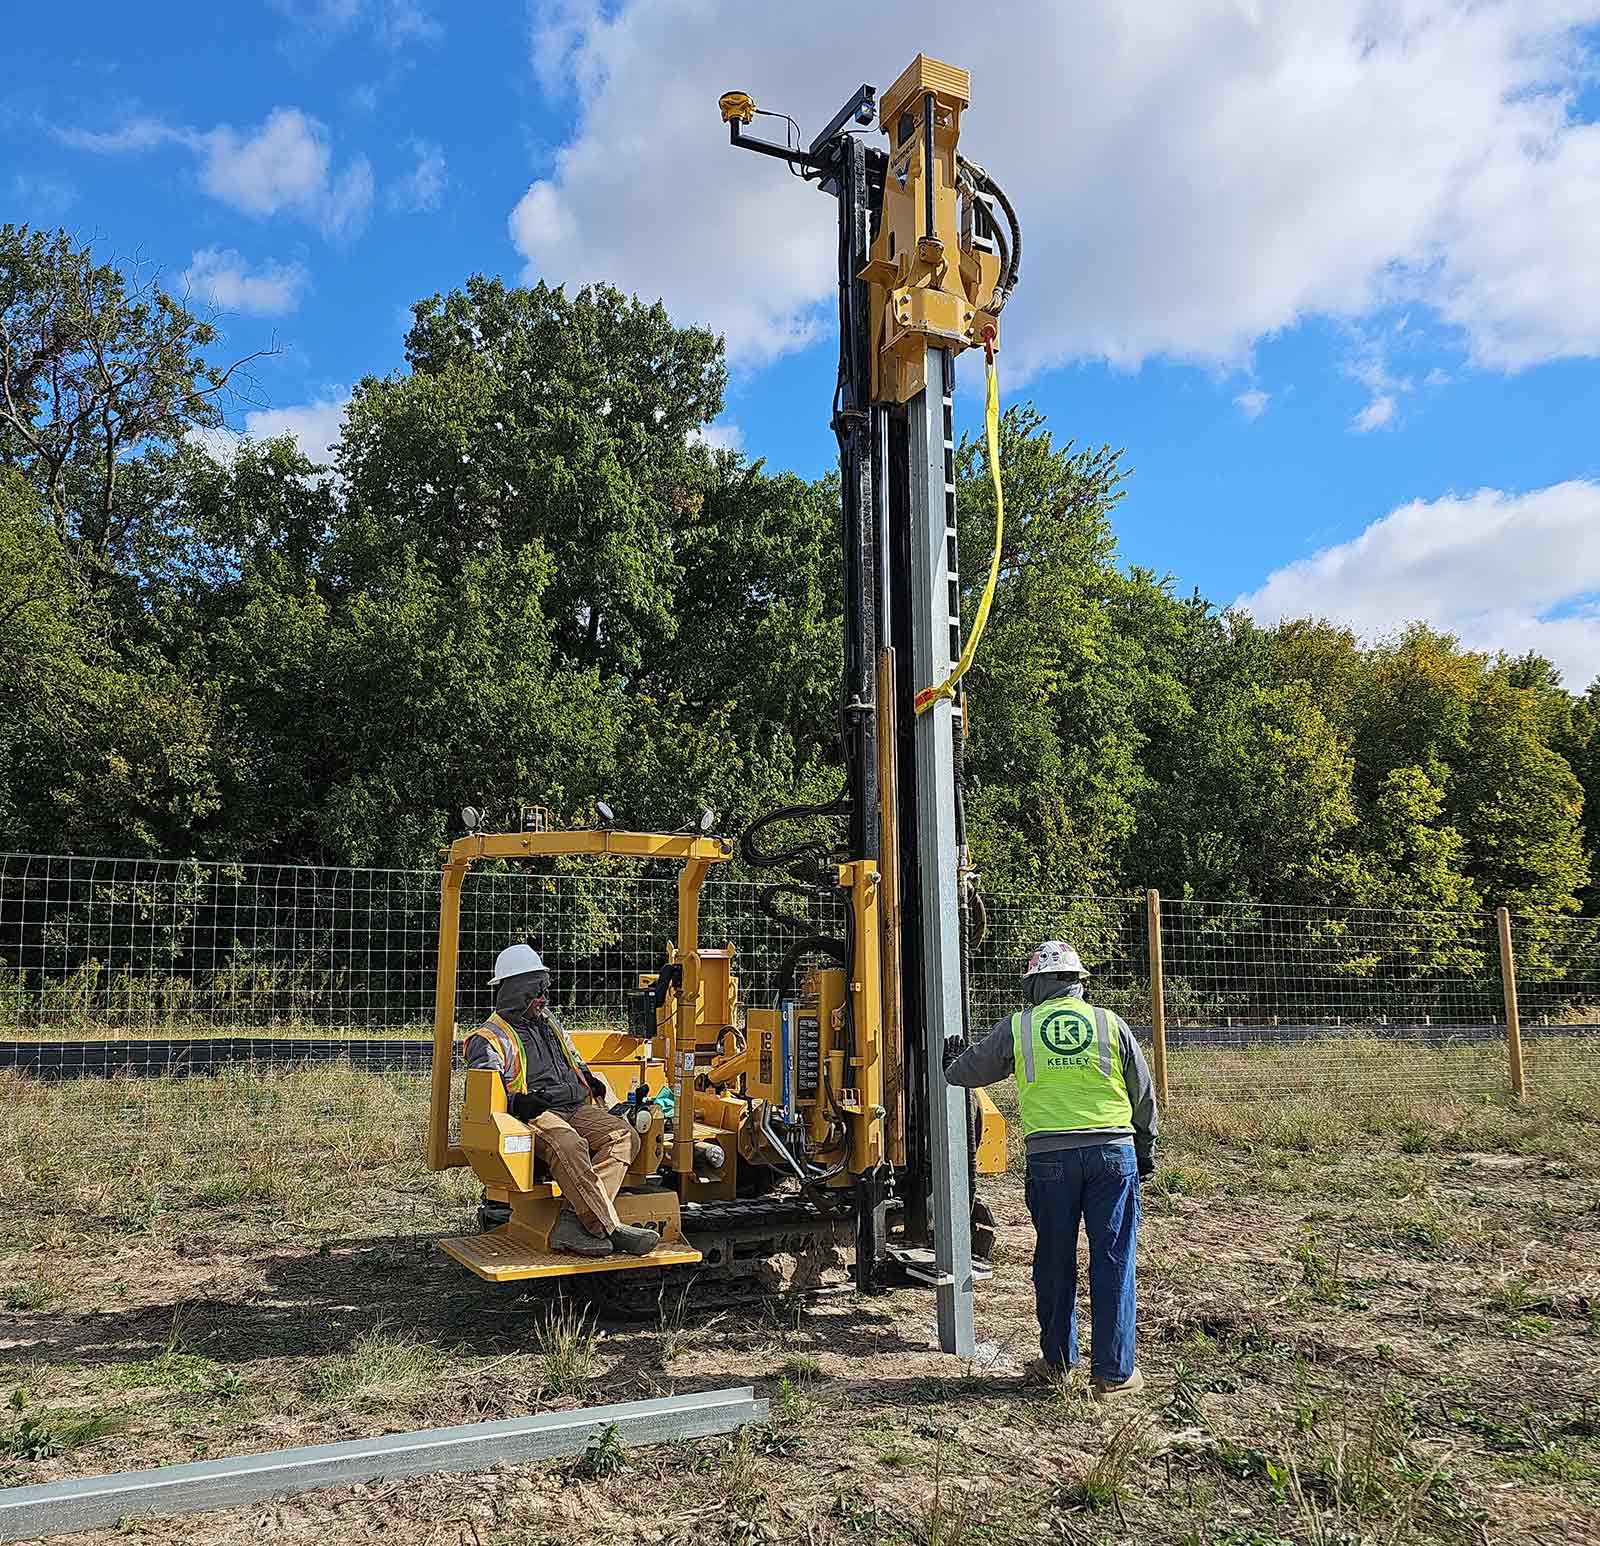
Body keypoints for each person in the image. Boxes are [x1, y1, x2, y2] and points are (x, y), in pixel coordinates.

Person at [944, 940, 1157, 1398]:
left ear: (1036, 984)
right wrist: (1144, 1148)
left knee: (1054, 1258)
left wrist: (950, 1059)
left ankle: (1058, 1361)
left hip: (1051, 1161)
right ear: (1078, 982)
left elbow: (964, 1074)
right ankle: (1115, 1374)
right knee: (1113, 1258)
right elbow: (1143, 1092)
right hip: (1112, 1155)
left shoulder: (1019, 1027)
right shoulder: (1109, 1023)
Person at [464, 942, 661, 1260]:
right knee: (569, 1145)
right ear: (515, 992)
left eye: (544, 989)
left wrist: (588, 1077)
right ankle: (608, 1227)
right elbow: (482, 1097)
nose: (543, 997)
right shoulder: (488, 1039)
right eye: (535, 991)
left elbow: (573, 1057)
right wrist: (516, 1104)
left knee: (624, 1136)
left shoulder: (549, 1022)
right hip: (536, 1114)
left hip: (576, 1106)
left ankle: (574, 1221)